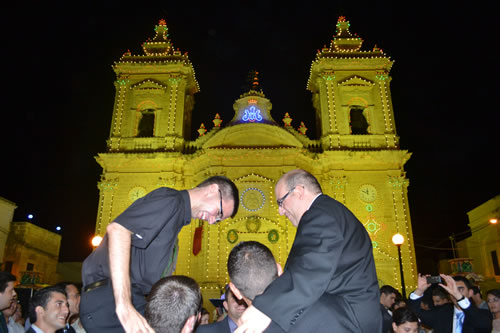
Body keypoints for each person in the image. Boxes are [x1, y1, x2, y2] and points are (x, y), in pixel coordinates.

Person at [80, 176, 239, 333]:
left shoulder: (177, 216)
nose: (212, 221)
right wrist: (125, 307)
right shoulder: (171, 200)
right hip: (111, 301)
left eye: (218, 220)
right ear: (212, 190)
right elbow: (118, 230)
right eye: (218, 213)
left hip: (131, 300)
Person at [235, 169, 382, 333]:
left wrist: (264, 309)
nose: (280, 211)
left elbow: (311, 269)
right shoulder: (329, 211)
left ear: (298, 191)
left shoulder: (321, 214)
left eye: (281, 202)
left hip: (346, 321)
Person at [408, 273, 492, 333]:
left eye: (460, 289)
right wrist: (419, 290)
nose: (455, 292)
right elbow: (414, 312)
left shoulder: (483, 314)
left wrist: (459, 297)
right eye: (452, 290)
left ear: (470, 293)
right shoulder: (442, 314)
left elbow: (483, 325)